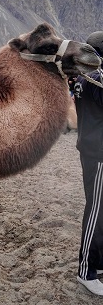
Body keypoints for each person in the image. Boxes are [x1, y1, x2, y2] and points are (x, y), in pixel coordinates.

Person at [74, 31, 103, 296]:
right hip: (99, 154)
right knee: (96, 211)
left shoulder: (82, 78)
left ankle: (99, 262)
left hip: (89, 149)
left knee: (100, 209)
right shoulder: (98, 78)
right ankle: (87, 271)